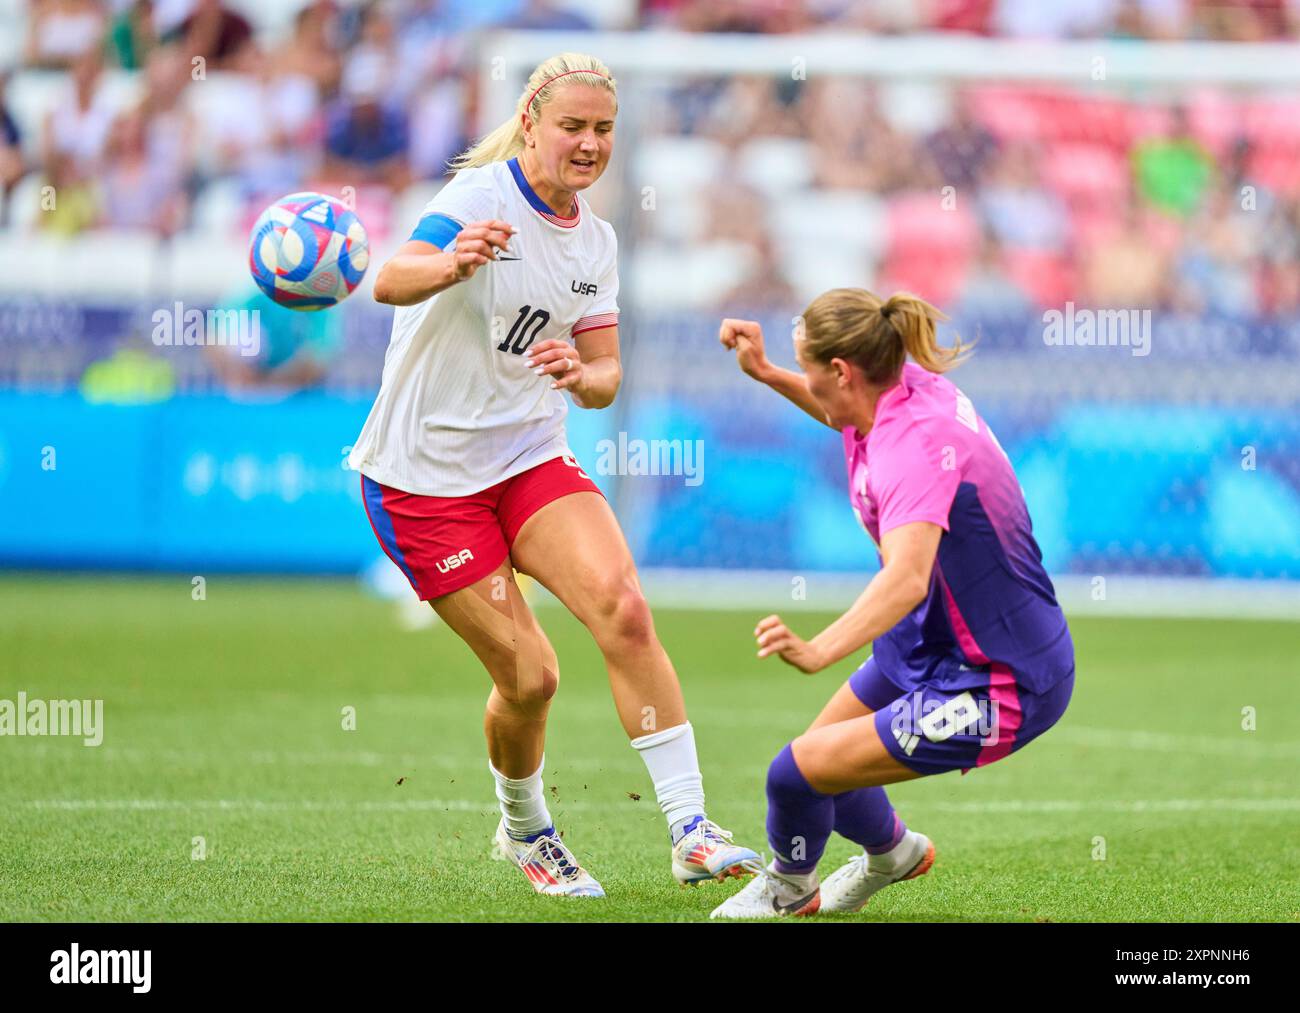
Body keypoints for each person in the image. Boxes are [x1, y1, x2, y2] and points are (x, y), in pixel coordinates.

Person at [348, 52, 758, 898]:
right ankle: (527, 826)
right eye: (572, 125)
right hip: (424, 480)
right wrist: (453, 263)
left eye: (603, 129)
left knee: (625, 608)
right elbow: (389, 278)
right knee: (531, 678)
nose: (589, 143)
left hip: (529, 454)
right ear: (531, 120)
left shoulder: (596, 241)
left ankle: (689, 826)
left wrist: (580, 370)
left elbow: (608, 378)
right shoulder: (477, 199)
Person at [710, 290, 1075, 918]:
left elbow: (907, 578)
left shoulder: (912, 444)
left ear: (843, 371)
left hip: (999, 680)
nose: (811, 383)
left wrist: (818, 648)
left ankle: (790, 889)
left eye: (809, 367)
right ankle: (894, 853)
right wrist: (769, 372)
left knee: (793, 774)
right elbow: (839, 414)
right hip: (927, 642)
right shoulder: (894, 390)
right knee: (823, 774)